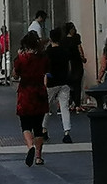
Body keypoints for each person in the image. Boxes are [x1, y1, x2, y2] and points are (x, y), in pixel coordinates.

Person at [14, 32, 49, 166]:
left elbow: (15, 75)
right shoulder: (43, 58)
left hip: (25, 93)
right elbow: (46, 71)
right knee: (38, 126)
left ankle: (30, 147)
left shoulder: (21, 59)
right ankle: (39, 157)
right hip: (39, 92)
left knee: (26, 125)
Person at [44, 28, 75, 144]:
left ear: (50, 38)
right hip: (64, 82)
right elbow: (69, 67)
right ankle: (67, 132)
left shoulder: (48, 53)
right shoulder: (65, 51)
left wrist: (46, 80)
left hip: (52, 82)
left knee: (46, 107)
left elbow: (45, 69)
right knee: (64, 107)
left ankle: (44, 130)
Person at [62, 22, 88, 106]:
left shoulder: (63, 40)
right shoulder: (76, 38)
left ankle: (71, 101)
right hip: (76, 62)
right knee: (77, 83)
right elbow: (80, 48)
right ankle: (77, 103)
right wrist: (83, 58)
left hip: (68, 63)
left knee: (70, 83)